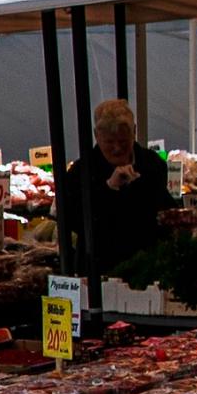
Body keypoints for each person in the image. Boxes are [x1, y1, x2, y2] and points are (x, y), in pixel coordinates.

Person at [72, 96, 174, 279]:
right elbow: (75, 220)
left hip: (148, 269)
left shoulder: (152, 164)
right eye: (109, 143)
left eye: (123, 141)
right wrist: (110, 187)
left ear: (134, 132)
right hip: (99, 272)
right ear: (97, 136)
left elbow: (163, 210)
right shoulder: (81, 171)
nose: (117, 148)